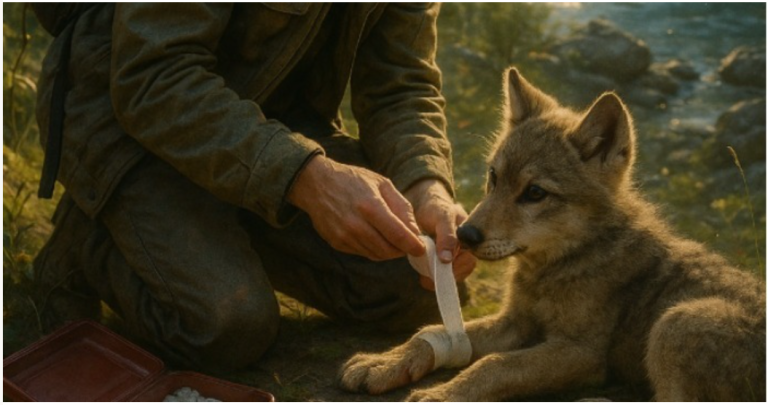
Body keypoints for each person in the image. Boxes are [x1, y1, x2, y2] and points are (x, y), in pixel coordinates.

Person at [32, 3, 475, 372]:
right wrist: (307, 180)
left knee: (419, 288)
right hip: (126, 126)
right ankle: (88, 239)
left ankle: (223, 229)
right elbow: (153, 76)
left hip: (269, 128)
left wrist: (426, 186)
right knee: (225, 325)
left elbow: (401, 86)